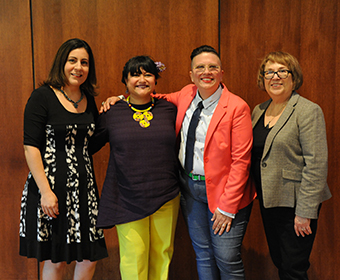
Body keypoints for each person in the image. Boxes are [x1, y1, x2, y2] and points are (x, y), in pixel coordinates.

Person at [102, 45, 256, 280]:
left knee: (226, 256)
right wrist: (121, 99)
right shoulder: (186, 94)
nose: (207, 72)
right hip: (190, 190)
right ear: (191, 74)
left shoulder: (237, 107)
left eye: (213, 67)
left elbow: (241, 161)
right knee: (203, 254)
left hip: (224, 193)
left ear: (222, 73)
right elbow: (150, 96)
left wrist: (227, 207)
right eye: (200, 67)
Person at [19, 38, 108, 280]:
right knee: (55, 260)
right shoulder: (42, 97)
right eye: (72, 60)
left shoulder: (88, 99)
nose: (78, 67)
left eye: (84, 62)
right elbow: (31, 147)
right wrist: (46, 192)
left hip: (85, 192)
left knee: (90, 258)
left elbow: (92, 144)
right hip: (50, 191)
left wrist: (113, 109)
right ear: (62, 63)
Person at [92, 55, 180, 280]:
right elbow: (90, 145)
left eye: (148, 74)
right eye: (135, 74)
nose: (142, 79)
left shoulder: (170, 109)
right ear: (125, 81)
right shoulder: (112, 112)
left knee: (162, 254)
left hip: (166, 195)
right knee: (134, 257)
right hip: (127, 197)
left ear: (156, 81)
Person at [251, 51, 332, 280]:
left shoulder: (307, 111)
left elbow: (316, 164)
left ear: (293, 77)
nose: (275, 77)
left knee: (294, 267)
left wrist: (305, 211)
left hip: (297, 206)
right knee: (280, 262)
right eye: (269, 72)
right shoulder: (258, 110)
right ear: (263, 78)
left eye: (282, 71)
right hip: (269, 201)